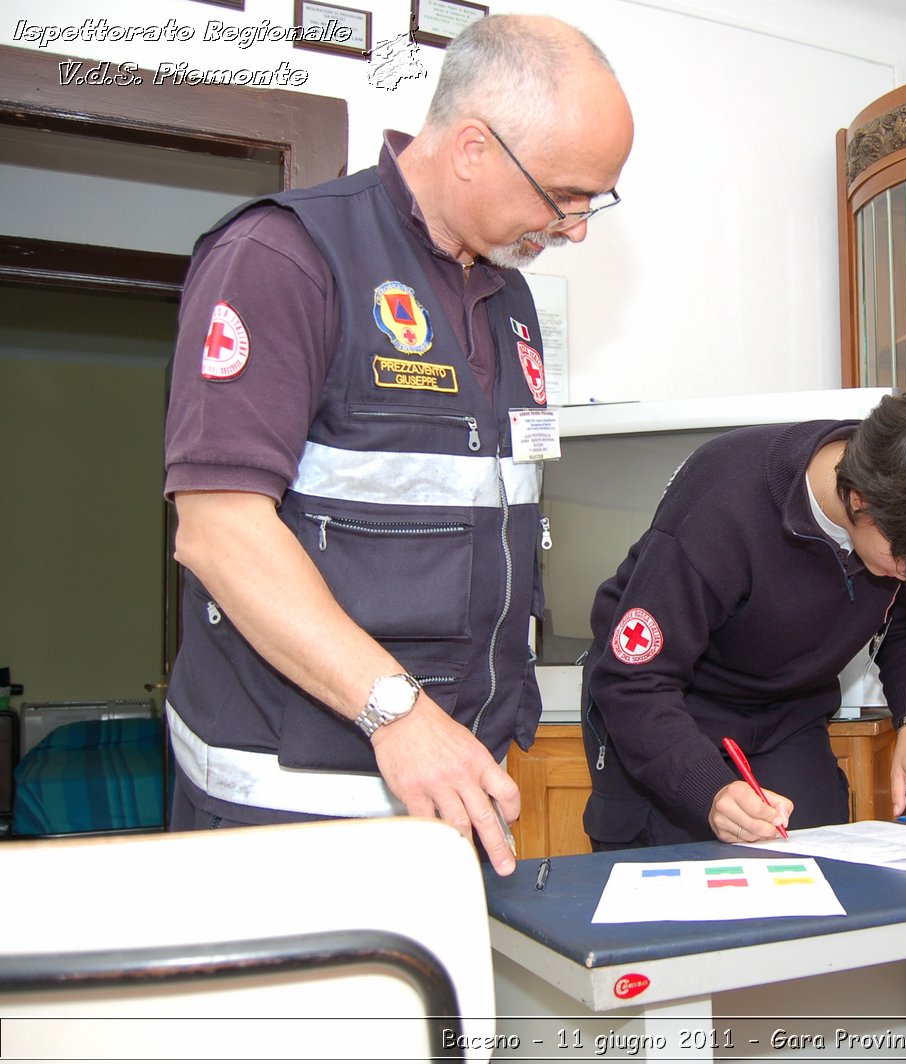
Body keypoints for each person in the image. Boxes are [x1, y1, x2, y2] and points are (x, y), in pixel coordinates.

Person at [161, 14, 633, 875]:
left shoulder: (508, 302)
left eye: (595, 200)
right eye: (565, 195)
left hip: (451, 785)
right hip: (294, 800)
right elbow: (220, 529)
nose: (577, 228)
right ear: (471, 147)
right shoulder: (283, 256)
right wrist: (399, 715)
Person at [581, 392, 906, 850]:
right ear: (860, 501)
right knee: (676, 883)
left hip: (789, 710)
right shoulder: (723, 500)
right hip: (670, 706)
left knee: (821, 862)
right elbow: (633, 681)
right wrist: (710, 791)